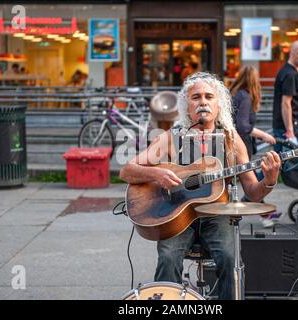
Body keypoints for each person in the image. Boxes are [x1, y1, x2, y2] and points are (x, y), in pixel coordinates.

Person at [119, 72, 281, 300]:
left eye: (209, 96)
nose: (203, 101)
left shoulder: (231, 140)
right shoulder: (170, 138)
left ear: (219, 105)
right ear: (186, 106)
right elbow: (127, 170)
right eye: (196, 97)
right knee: (167, 258)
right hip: (175, 215)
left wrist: (270, 180)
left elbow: (253, 192)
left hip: (218, 215)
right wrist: (156, 174)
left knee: (229, 257)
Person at [230, 66, 279, 227]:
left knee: (251, 179)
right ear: (253, 80)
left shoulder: (237, 94)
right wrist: (264, 135)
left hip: (236, 144)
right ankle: (265, 213)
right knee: (252, 179)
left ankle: (254, 205)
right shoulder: (245, 97)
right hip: (241, 144)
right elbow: (243, 126)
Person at [272, 40, 298, 201]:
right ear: (291, 53)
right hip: (289, 129)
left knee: (274, 163)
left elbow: (294, 103)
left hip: (292, 125)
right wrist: (290, 129)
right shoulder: (290, 74)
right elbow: (286, 103)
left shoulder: (292, 71)